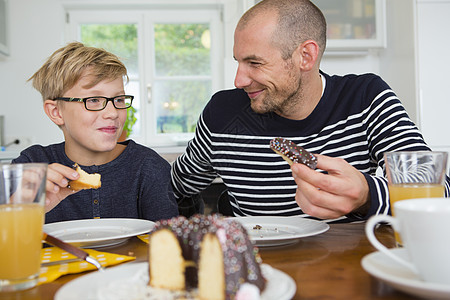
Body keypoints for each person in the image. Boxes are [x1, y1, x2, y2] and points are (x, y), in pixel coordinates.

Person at [171, 0, 450, 222]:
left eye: (254, 63)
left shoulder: (365, 98)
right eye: (238, 62)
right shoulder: (222, 113)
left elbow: (437, 193)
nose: (238, 80)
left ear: (305, 56)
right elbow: (174, 185)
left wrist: (366, 195)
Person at [13, 42, 178, 223]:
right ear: (56, 112)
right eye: (93, 100)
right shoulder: (30, 166)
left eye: (119, 99)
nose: (112, 113)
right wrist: (21, 209)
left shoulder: (149, 168)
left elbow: (168, 244)